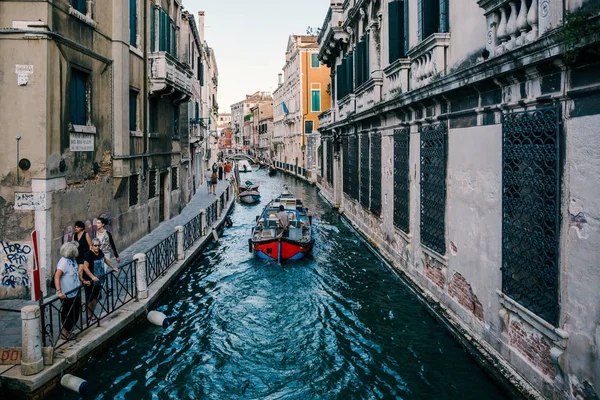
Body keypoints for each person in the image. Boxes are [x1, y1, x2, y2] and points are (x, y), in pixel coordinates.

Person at [81, 238, 117, 323]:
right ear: (92, 246)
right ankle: (89, 316)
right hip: (90, 281)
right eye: (95, 245)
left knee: (96, 298)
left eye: (98, 245)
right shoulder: (88, 255)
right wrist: (92, 277)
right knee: (90, 298)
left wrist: (113, 267)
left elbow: (105, 260)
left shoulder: (100, 252)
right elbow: (85, 268)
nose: (97, 247)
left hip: (99, 279)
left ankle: (92, 314)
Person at [54, 242, 82, 340]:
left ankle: (68, 330)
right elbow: (57, 277)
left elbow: (75, 272)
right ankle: (64, 333)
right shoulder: (64, 262)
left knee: (76, 311)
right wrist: (59, 292)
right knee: (68, 312)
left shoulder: (73, 259)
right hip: (67, 293)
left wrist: (81, 280)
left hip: (75, 291)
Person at [95, 217, 120, 293]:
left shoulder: (107, 233)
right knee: (104, 271)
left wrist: (116, 256)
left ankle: (102, 287)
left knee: (104, 270)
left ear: (103, 224)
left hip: (106, 254)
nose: (97, 224)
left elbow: (112, 244)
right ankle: (109, 287)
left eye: (99, 223)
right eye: (97, 223)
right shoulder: (96, 233)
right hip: (98, 254)